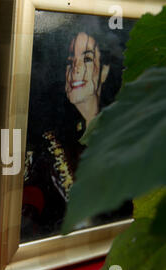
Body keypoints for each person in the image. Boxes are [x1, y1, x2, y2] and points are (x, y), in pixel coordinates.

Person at [22, 21, 132, 241]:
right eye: (70, 61)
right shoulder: (47, 147)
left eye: (88, 59)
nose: (76, 69)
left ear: (104, 72)